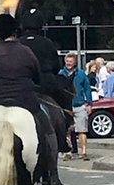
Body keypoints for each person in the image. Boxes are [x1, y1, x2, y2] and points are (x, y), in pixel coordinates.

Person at [0, 13, 68, 185]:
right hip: (25, 102)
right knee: (47, 130)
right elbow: (37, 79)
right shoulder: (26, 52)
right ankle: (53, 174)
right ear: (15, 31)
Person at [19, 8, 73, 155]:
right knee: (64, 99)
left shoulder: (18, 43)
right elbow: (57, 66)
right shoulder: (47, 43)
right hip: (44, 83)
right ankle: (63, 138)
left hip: (22, 84)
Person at [60, 51, 92, 159]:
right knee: (67, 130)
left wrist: (89, 103)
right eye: (67, 61)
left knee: (82, 130)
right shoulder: (61, 74)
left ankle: (83, 152)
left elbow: (87, 89)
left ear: (75, 62)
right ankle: (69, 152)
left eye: (70, 61)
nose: (68, 63)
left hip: (80, 104)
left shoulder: (81, 74)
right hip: (66, 106)